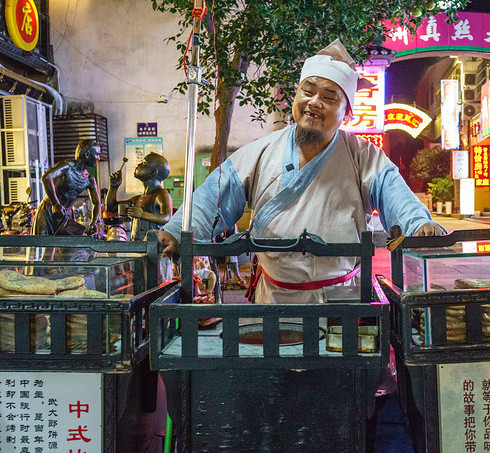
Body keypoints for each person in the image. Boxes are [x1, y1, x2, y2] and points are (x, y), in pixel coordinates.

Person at [158, 39, 445, 304]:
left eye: (329, 97)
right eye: (307, 91)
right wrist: (175, 231)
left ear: (347, 113)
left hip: (342, 299)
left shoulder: (363, 155)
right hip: (274, 297)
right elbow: (212, 198)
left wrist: (419, 225)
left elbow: (394, 193)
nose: (314, 102)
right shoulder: (259, 151)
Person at [33, 139, 102, 235]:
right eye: (97, 154)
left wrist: (94, 222)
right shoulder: (66, 167)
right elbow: (46, 178)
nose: (99, 158)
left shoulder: (89, 179)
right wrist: (56, 203)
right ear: (87, 154)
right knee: (43, 244)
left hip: (67, 214)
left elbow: (97, 203)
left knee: (66, 247)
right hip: (49, 210)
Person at [105, 152, 173, 241]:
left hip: (154, 247)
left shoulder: (161, 194)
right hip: (138, 246)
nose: (138, 164)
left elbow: (167, 217)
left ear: (153, 172)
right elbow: (111, 208)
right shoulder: (139, 199)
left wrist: (143, 214)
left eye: (144, 163)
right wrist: (113, 187)